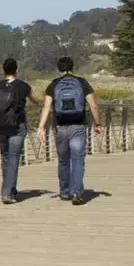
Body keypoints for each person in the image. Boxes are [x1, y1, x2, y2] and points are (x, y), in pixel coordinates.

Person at [35, 56, 102, 205]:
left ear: (59, 68)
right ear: (73, 67)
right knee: (78, 161)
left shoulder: (53, 85)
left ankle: (65, 192)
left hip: (60, 127)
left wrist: (41, 127)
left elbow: (47, 107)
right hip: (78, 126)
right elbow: (93, 106)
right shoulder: (82, 83)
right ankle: (77, 192)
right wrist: (97, 124)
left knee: (63, 161)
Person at [0, 57, 35, 204]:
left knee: (6, 157)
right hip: (17, 125)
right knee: (14, 158)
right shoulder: (23, 86)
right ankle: (7, 193)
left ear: (3, 70)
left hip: (0, 126)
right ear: (17, 70)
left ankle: (10, 189)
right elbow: (36, 100)